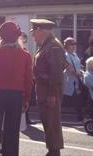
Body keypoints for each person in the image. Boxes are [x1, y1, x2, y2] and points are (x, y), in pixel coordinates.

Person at [0, 21, 33, 156]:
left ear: (1, 37)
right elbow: (28, 79)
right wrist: (27, 98)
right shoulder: (25, 55)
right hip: (16, 95)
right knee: (12, 130)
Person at [30, 19, 67, 156]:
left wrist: (52, 94)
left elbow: (56, 73)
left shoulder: (53, 46)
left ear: (40, 30)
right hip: (44, 89)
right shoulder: (46, 45)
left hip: (50, 90)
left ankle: (54, 151)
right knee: (48, 121)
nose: (33, 35)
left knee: (52, 121)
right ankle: (52, 149)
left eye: (34, 31)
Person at [63, 37, 84, 122]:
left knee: (75, 98)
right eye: (72, 44)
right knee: (75, 99)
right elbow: (70, 70)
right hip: (69, 81)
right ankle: (80, 118)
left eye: (75, 44)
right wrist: (80, 74)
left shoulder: (74, 54)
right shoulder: (66, 56)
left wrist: (82, 70)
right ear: (67, 45)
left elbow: (79, 65)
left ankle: (80, 117)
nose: (74, 46)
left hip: (76, 81)